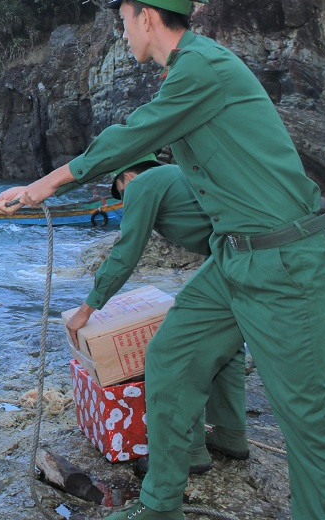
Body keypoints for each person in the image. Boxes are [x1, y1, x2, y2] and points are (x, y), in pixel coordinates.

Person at [0, 0, 325, 520]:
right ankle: (159, 505)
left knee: (307, 416)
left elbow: (129, 137)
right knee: (170, 355)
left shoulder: (200, 68)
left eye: (124, 19)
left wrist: (41, 187)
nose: (123, 32)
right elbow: (143, 142)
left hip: (282, 259)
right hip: (233, 258)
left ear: (146, 17)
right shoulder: (184, 75)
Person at [64, 156, 248, 476]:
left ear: (128, 177)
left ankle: (185, 452)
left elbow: (126, 252)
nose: (125, 201)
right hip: (243, 257)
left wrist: (86, 309)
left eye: (121, 192)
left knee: (173, 350)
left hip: (236, 258)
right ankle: (230, 434)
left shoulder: (143, 185)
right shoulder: (178, 176)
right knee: (225, 347)